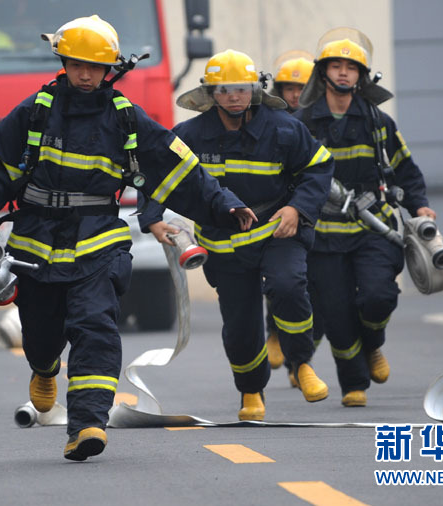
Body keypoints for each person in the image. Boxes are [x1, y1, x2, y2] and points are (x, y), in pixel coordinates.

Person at [0, 16, 255, 461]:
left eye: (95, 67)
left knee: (95, 326)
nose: (85, 75)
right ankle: (44, 369)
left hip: (98, 239)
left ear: (110, 69)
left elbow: (180, 169)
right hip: (36, 240)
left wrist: (225, 205)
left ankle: (87, 424)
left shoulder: (125, 117)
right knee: (41, 333)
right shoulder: (35, 110)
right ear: (63, 63)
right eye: (78, 65)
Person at [138, 49, 334, 422]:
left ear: (255, 89)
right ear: (211, 93)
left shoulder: (284, 129)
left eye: (241, 88)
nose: (234, 97)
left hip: (277, 231)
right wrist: (153, 219)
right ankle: (251, 391)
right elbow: (158, 173)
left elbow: (319, 166)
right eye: (225, 89)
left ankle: (302, 363)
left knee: (289, 286)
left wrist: (297, 209)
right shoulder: (190, 135)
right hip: (223, 243)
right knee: (241, 324)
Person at [297, 28, 436, 407]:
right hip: (323, 235)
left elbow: (406, 169)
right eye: (336, 66)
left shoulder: (378, 122)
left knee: (378, 296)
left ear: (362, 76)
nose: (343, 73)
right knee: (337, 314)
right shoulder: (301, 124)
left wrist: (419, 205)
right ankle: (354, 384)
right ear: (322, 72)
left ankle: (373, 343)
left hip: (375, 227)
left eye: (351, 67)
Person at [264, 49, 316, 380]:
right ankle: (274, 331)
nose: (295, 95)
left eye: (302, 88)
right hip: (285, 214)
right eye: (289, 88)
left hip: (325, 215)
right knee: (284, 282)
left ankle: (301, 364)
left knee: (316, 292)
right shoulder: (272, 122)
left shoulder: (323, 120)